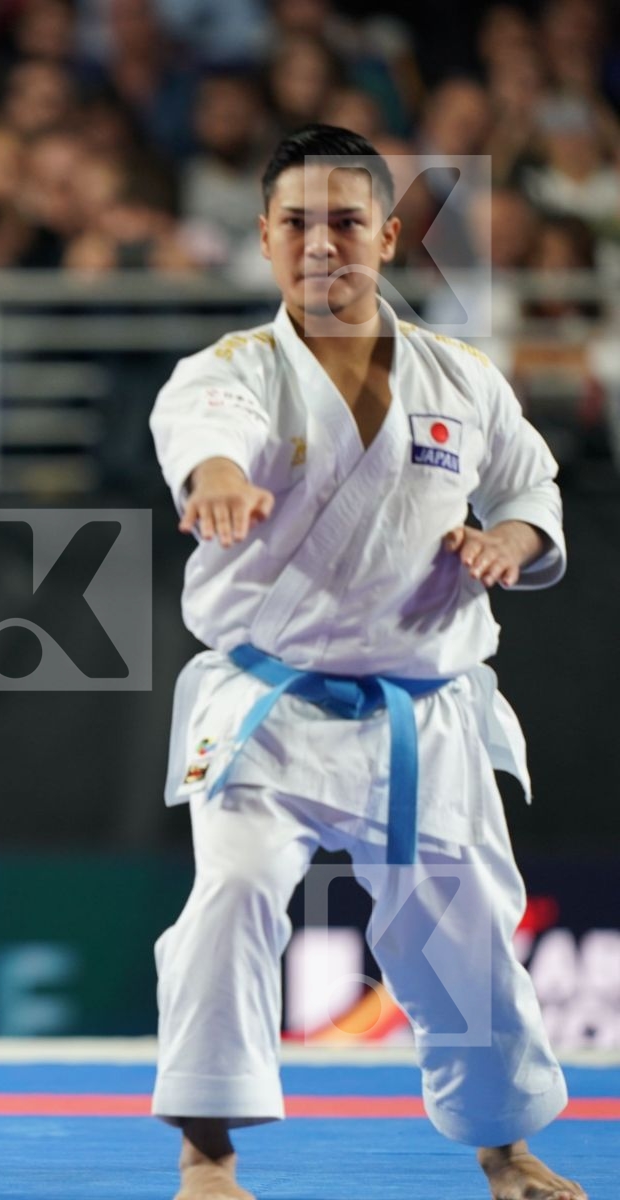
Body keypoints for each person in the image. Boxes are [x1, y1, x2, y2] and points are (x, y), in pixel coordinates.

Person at [148, 124, 585, 1200]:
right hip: (271, 704)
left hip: (422, 712)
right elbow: (207, 430)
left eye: (346, 220)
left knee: (473, 929)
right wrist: (215, 481)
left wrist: (509, 545)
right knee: (235, 891)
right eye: (296, 221)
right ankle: (208, 1158)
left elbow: (534, 489)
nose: (321, 243)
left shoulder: (463, 378)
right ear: (263, 238)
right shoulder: (231, 374)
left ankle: (506, 1151)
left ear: (387, 236)